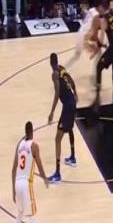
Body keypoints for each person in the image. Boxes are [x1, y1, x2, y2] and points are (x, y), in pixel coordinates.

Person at [12, 121, 48, 223]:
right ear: (32, 131)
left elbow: (13, 169)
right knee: (32, 215)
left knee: (21, 210)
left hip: (17, 183)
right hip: (26, 184)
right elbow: (39, 164)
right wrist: (45, 178)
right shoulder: (34, 145)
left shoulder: (19, 145)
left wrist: (13, 190)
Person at [47, 53, 78, 183]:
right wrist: (75, 93)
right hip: (72, 102)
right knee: (69, 129)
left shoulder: (54, 74)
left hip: (68, 105)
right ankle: (73, 157)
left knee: (57, 139)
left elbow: (57, 93)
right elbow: (71, 80)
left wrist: (52, 112)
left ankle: (57, 174)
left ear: (50, 63)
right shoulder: (62, 68)